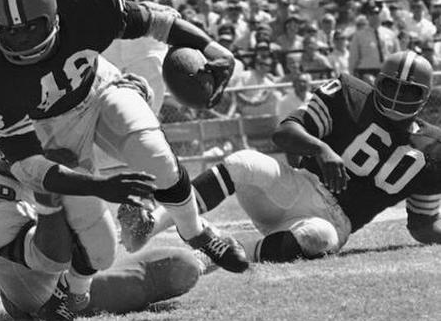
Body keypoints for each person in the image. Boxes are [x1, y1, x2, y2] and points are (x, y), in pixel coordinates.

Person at [0, 0, 248, 318]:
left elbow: (157, 22)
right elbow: (31, 167)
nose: (21, 39)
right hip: (52, 129)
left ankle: (196, 232)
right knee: (100, 248)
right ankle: (75, 292)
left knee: (154, 154)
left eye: (30, 27)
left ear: (54, 16)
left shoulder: (86, 3)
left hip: (99, 88)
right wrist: (101, 187)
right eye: (10, 30)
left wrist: (212, 47)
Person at [165, 51, 441, 262]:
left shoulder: (433, 150)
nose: (397, 96)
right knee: (243, 162)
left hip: (335, 222)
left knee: (318, 238)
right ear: (378, 82)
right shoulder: (349, 93)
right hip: (297, 187)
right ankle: (155, 221)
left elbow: (423, 225)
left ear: (424, 96)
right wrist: (320, 148)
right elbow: (284, 133)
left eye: (409, 90)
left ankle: (209, 258)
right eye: (391, 85)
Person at [0, 138, 201, 321]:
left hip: (32, 278)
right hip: (50, 296)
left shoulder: (5, 165)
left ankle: (190, 232)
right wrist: (48, 199)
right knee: (181, 265)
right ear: (4, 156)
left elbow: (7, 258)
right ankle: (205, 256)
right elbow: (51, 259)